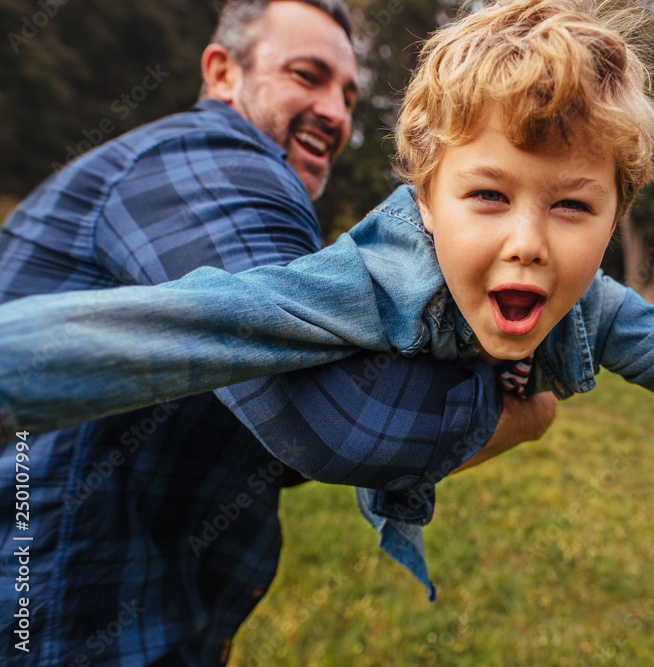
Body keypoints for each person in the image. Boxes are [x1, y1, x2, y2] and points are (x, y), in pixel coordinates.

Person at [2, 0, 654, 619]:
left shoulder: (597, 307)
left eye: (572, 205)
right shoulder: (351, 282)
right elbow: (163, 330)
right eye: (489, 196)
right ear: (423, 199)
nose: (528, 239)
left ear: (616, 210)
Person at [0, 0, 556, 664]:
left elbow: (275, 437)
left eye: (348, 94)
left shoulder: (221, 191)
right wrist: (525, 412)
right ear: (221, 72)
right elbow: (339, 416)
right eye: (307, 75)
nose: (336, 112)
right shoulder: (216, 160)